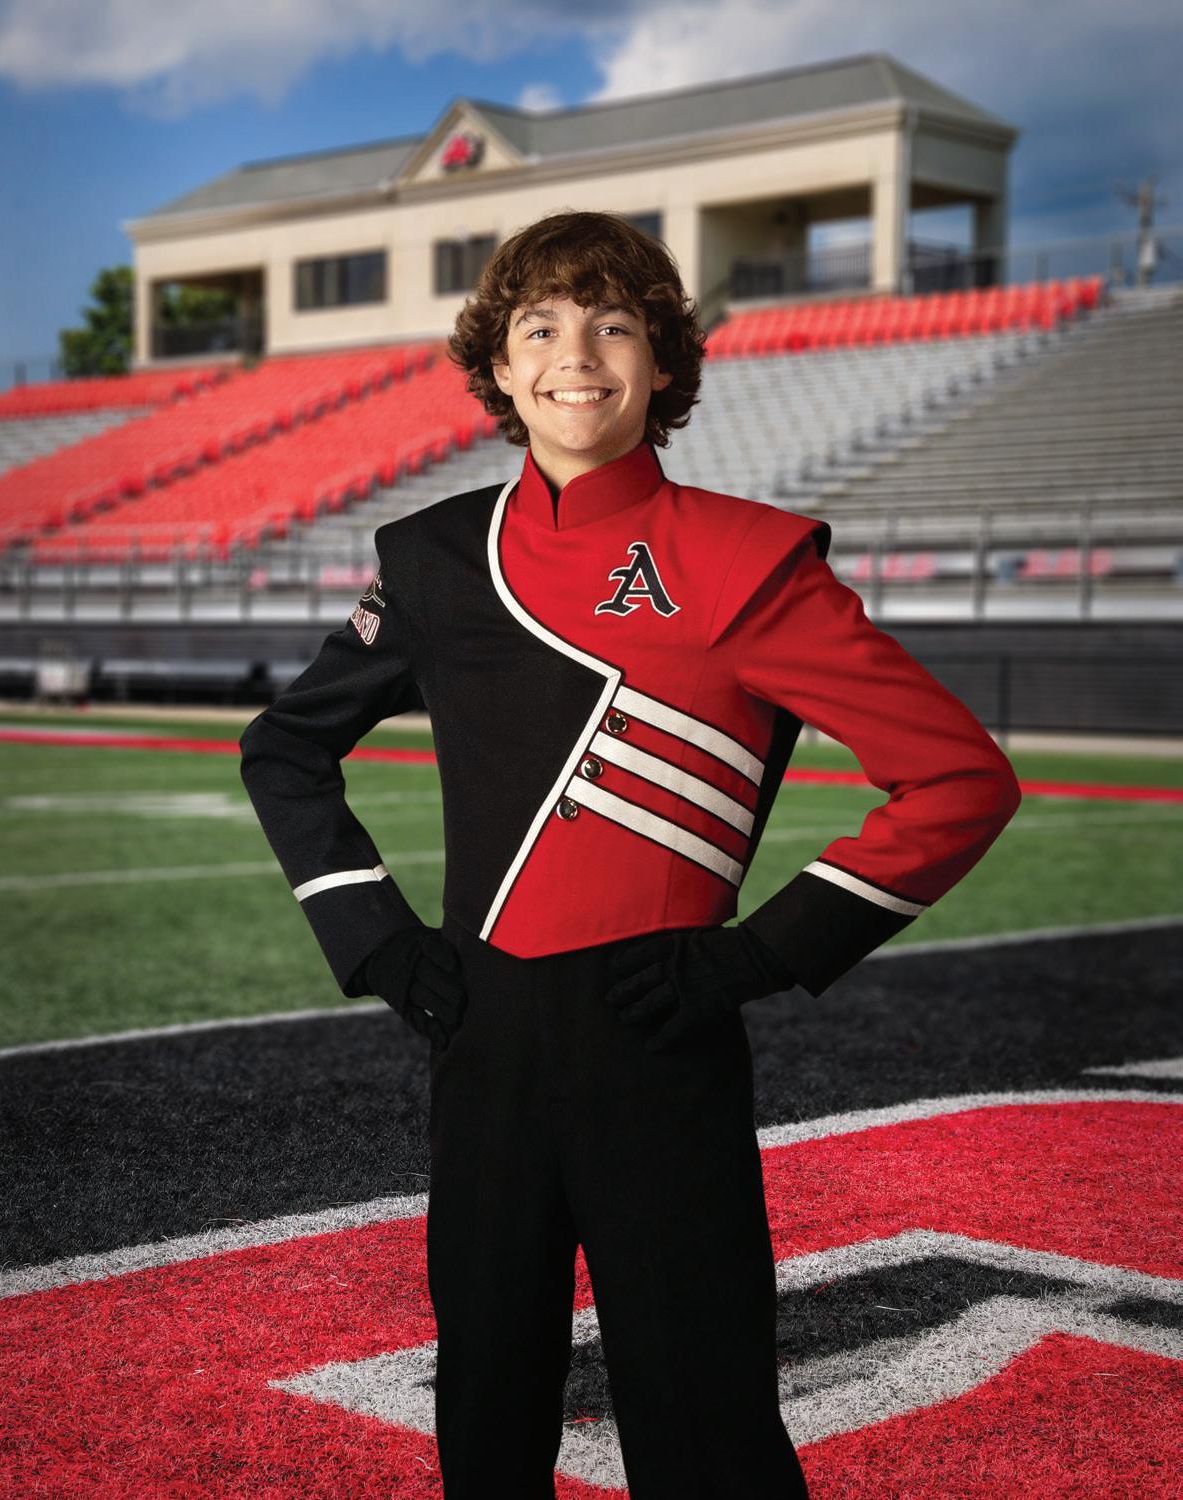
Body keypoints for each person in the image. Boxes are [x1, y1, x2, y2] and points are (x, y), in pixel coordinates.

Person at [239, 209, 1022, 1499]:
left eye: (614, 325)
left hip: (661, 1042)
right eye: (540, 327)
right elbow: (285, 749)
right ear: (499, 366)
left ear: (662, 363)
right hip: (481, 1044)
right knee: (485, 1417)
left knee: (704, 1425)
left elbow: (961, 780)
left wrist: (760, 956)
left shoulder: (749, 559)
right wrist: (375, 940)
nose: (576, 356)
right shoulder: (432, 558)